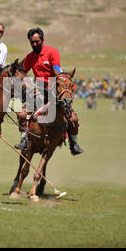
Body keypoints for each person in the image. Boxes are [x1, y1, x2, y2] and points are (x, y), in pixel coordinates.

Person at [14, 27, 83, 155]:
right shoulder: (29, 57)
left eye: (37, 42)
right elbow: (21, 71)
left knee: (72, 119)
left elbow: (57, 69)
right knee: (22, 115)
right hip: (38, 92)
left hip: (54, 91)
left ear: (42, 40)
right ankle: (24, 139)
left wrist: (59, 79)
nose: (34, 44)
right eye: (32, 42)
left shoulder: (52, 52)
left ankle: (74, 144)